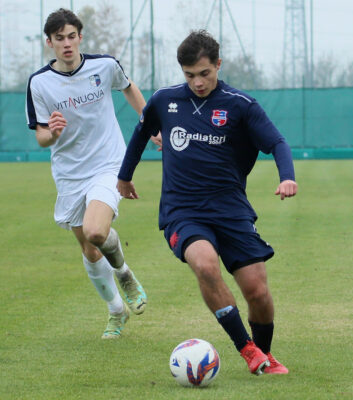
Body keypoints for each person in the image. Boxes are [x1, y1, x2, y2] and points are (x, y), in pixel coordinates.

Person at [117, 30, 298, 375]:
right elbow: (141, 133)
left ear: (217, 64)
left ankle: (264, 353)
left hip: (231, 210)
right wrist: (124, 176)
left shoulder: (240, 105)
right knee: (204, 264)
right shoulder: (164, 100)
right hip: (182, 211)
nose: (197, 82)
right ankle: (247, 350)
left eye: (204, 73)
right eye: (189, 75)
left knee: (257, 292)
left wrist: (286, 176)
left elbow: (277, 142)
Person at [25, 8, 149, 339]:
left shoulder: (104, 66)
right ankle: (116, 311)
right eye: (58, 39)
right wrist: (51, 132)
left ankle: (124, 273)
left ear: (80, 37)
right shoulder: (39, 83)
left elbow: (129, 87)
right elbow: (40, 137)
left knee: (96, 231)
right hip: (68, 174)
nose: (66, 43)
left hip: (108, 164)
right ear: (49, 43)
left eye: (71, 36)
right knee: (90, 249)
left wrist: (150, 124)